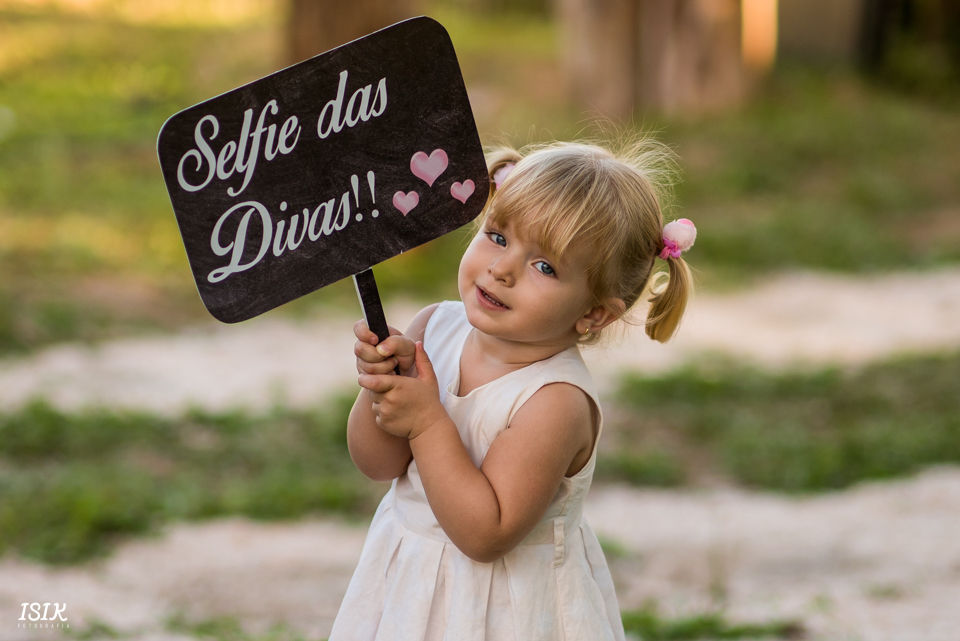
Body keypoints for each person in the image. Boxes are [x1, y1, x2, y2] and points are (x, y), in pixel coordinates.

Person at [329, 138, 696, 640]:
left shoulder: (555, 401)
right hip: (410, 592)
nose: (502, 269)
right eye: (498, 236)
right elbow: (378, 464)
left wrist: (425, 418)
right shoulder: (433, 327)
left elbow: (487, 533)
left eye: (544, 267)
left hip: (506, 613)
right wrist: (379, 389)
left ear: (593, 313)